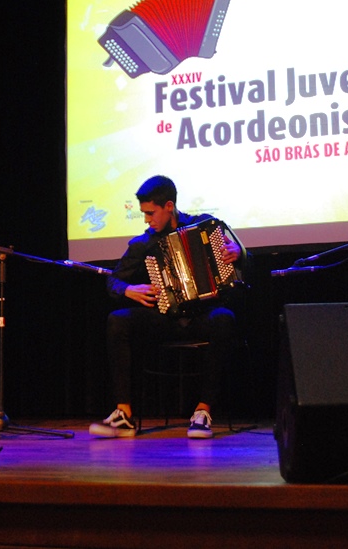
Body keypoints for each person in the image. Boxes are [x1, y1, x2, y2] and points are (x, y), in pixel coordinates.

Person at [89, 175, 245, 439]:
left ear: (169, 206)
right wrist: (127, 290)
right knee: (118, 319)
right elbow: (113, 281)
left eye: (151, 213)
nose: (146, 220)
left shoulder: (205, 225)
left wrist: (238, 254)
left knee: (224, 318)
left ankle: (202, 411)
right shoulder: (142, 244)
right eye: (144, 214)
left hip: (202, 316)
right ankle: (123, 414)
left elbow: (244, 261)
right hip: (165, 319)